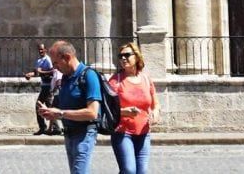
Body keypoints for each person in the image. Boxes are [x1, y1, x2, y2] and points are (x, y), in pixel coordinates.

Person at [38, 39, 104, 174]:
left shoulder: (89, 76)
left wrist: (60, 114)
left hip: (84, 134)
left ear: (67, 57)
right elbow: (62, 107)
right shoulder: (66, 78)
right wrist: (49, 112)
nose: (54, 67)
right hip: (69, 134)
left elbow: (92, 113)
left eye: (56, 62)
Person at [109, 41, 158, 174]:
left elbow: (155, 104)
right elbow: (107, 109)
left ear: (136, 57)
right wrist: (124, 112)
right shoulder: (115, 81)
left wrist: (155, 113)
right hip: (122, 133)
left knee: (142, 172)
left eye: (127, 55)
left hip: (144, 133)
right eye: (120, 56)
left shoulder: (146, 79)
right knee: (129, 170)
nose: (123, 58)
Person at [36, 42, 62, 136]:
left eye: (42, 49)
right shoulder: (39, 60)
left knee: (40, 105)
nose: (40, 51)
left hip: (49, 86)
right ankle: (55, 128)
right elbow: (38, 73)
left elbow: (53, 71)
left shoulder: (48, 60)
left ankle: (45, 128)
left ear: (45, 50)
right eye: (39, 49)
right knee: (49, 107)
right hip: (44, 86)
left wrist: (42, 72)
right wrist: (31, 74)